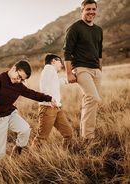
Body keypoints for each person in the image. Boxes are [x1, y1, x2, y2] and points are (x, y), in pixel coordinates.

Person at [0, 60, 56, 160]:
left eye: (22, 80)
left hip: (10, 114)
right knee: (0, 152)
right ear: (14, 68)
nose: (19, 81)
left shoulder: (19, 86)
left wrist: (49, 98)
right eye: (19, 77)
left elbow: (32, 94)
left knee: (25, 130)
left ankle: (16, 151)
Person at [63, 0, 103, 140]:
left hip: (95, 70)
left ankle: (86, 136)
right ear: (82, 11)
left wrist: (100, 69)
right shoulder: (74, 28)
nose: (91, 12)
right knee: (93, 98)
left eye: (93, 9)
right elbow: (67, 52)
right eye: (88, 9)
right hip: (81, 68)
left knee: (90, 102)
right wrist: (68, 73)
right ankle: (88, 137)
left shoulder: (98, 30)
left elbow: (99, 52)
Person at [31, 54, 73, 149]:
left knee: (68, 134)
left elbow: (56, 83)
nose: (62, 65)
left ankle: (64, 154)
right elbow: (44, 87)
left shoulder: (51, 72)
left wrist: (68, 79)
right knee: (41, 138)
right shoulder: (49, 69)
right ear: (53, 61)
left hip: (56, 108)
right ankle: (31, 158)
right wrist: (49, 99)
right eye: (60, 62)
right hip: (48, 108)